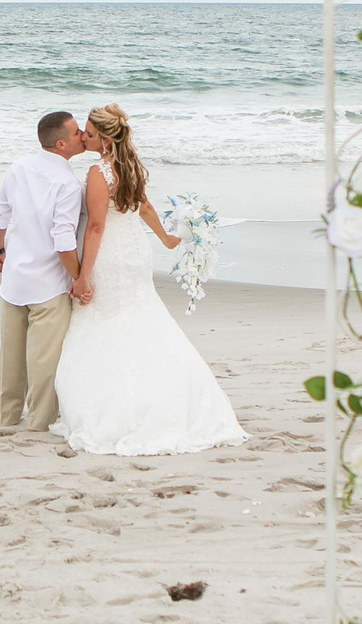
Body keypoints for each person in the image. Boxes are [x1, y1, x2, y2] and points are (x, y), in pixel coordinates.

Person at [52, 104, 245, 455]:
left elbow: (96, 227)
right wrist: (165, 240)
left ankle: (122, 408)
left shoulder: (99, 172)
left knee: (103, 321)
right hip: (136, 254)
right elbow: (144, 208)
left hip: (110, 255)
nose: (84, 137)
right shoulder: (131, 167)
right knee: (143, 318)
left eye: (91, 134)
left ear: (107, 140)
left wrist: (82, 276)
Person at [0, 109, 89, 433]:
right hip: (48, 284)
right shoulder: (68, 184)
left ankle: (7, 416)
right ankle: (39, 422)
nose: (82, 134)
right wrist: (77, 277)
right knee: (44, 362)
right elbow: (63, 241)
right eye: (76, 132)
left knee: (11, 357)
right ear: (61, 144)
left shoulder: (19, 166)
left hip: (15, 278)